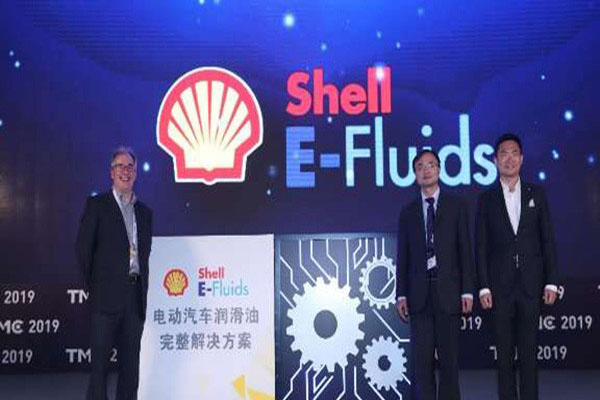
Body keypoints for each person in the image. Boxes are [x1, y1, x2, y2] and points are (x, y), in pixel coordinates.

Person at [476, 133, 558, 400]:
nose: (509, 159)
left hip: (531, 286)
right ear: (495, 160)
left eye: (514, 153)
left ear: (521, 159)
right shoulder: (486, 199)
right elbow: (481, 246)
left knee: (529, 355)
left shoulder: (537, 194)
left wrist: (551, 281)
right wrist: (484, 287)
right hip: (499, 289)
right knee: (503, 358)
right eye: (503, 154)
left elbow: (547, 239)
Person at [395, 149, 474, 400]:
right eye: (420, 166)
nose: (426, 170)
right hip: (419, 296)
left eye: (430, 165)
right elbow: (403, 255)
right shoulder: (408, 212)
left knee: (449, 364)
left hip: (448, 293)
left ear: (439, 169)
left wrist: (467, 290)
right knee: (422, 365)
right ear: (414, 174)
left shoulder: (457, 206)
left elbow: (465, 250)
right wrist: (401, 294)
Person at [76, 146, 153, 400]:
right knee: (99, 370)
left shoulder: (145, 214)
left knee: (130, 370)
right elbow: (83, 251)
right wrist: (97, 288)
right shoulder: (97, 205)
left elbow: (144, 256)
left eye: (130, 167)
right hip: (105, 300)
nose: (126, 171)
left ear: (136, 173)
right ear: (112, 172)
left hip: (134, 299)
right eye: (120, 166)